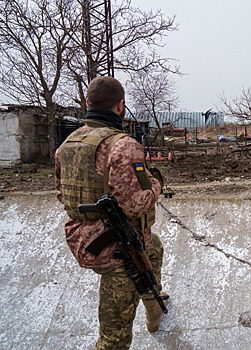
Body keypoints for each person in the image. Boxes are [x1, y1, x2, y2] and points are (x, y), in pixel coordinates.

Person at [55, 76, 168, 349]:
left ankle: (154, 305)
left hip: (81, 238)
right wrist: (156, 186)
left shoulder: (67, 145)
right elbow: (134, 204)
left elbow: (61, 193)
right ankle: (143, 306)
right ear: (120, 106)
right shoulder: (123, 145)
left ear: (87, 103)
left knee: (153, 248)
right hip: (116, 248)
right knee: (113, 340)